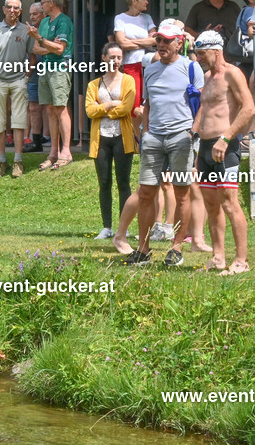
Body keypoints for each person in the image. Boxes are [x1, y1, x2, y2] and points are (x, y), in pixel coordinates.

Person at [126, 21, 203, 266]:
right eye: (159, 40)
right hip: (153, 138)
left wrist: (192, 133)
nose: (161, 44)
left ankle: (176, 248)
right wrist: (145, 131)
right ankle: (143, 249)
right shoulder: (149, 68)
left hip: (182, 136)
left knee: (181, 193)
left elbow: (202, 105)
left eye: (167, 40)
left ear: (180, 42)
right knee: (146, 192)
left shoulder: (191, 67)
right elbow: (147, 103)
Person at [192, 31, 255, 274]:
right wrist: (195, 135)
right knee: (211, 204)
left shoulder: (232, 73)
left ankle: (241, 260)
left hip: (225, 147)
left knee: (230, 203)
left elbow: (248, 108)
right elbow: (206, 109)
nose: (198, 58)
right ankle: (218, 257)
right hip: (206, 148)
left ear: (216, 50)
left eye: (202, 53)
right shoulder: (207, 77)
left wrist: (226, 138)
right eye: (196, 53)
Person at [85, 43, 137, 240]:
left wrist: (103, 110)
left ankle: (124, 228)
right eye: (112, 57)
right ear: (104, 58)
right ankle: (106, 226)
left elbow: (126, 108)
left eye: (118, 57)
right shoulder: (93, 85)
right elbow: (90, 111)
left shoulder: (128, 80)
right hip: (102, 139)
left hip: (122, 138)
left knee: (124, 183)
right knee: (104, 182)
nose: (115, 61)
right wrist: (109, 104)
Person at [0, 0, 33, 179]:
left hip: (18, 80)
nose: (12, 10)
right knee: (0, 123)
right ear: (4, 9)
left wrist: (26, 78)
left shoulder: (25, 31)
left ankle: (18, 161)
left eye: (16, 8)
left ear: (20, 11)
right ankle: (1, 161)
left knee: (19, 122)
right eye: (9, 7)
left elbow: (32, 57)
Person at [30, 0, 75, 171]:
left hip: (60, 69)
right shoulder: (44, 23)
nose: (41, 5)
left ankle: (66, 151)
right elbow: (36, 49)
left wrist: (42, 41)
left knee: (60, 108)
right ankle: (53, 152)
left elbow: (60, 49)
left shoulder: (64, 21)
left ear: (51, 3)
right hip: (45, 68)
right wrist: (48, 45)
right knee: (49, 109)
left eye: (42, 2)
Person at [114, 0, 157, 121]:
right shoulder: (120, 18)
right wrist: (145, 42)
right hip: (131, 65)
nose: (147, 2)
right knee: (134, 103)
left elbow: (155, 40)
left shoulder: (147, 18)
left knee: (147, 101)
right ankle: (135, 140)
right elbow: (122, 43)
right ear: (134, 1)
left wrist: (132, 41)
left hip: (148, 63)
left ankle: (145, 135)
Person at [24, 3, 46, 152]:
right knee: (33, 107)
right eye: (30, 14)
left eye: (35, 14)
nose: (32, 17)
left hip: (49, 70)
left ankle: (54, 141)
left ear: (43, 14)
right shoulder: (28, 32)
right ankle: (36, 141)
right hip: (33, 72)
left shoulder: (49, 28)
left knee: (51, 107)